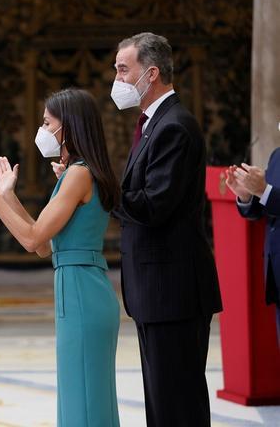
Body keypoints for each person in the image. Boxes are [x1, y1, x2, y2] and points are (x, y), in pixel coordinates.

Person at [0, 88, 121, 427]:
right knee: (83, 397)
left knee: (85, 402)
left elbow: (32, 239)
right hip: (78, 286)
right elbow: (43, 243)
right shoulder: (77, 171)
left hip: (82, 290)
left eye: (48, 123)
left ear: (69, 126)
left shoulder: (78, 173)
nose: (43, 129)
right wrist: (7, 196)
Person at [111, 32, 222, 426]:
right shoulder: (154, 122)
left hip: (172, 290)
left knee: (177, 403)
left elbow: (154, 205)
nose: (117, 79)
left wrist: (98, 185)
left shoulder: (174, 126)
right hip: (157, 291)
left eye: (124, 69)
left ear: (151, 72)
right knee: (162, 401)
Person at [226, 150, 280, 343]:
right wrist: (247, 197)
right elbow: (268, 209)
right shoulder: (276, 155)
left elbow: (270, 195)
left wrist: (263, 191)